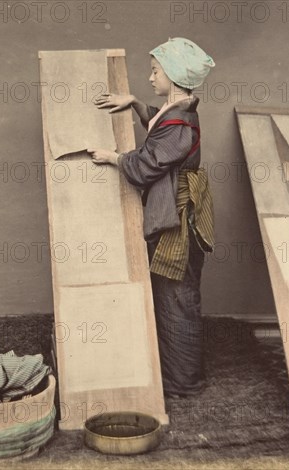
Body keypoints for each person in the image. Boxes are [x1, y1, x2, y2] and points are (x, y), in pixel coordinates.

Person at [87, 38, 215, 398]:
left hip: (177, 222)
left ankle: (183, 383)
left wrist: (115, 158)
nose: (151, 76)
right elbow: (161, 130)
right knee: (173, 295)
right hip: (173, 214)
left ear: (173, 77)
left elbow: (147, 166)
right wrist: (136, 104)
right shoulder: (180, 111)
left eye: (156, 71)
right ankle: (178, 376)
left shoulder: (182, 123)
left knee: (176, 298)